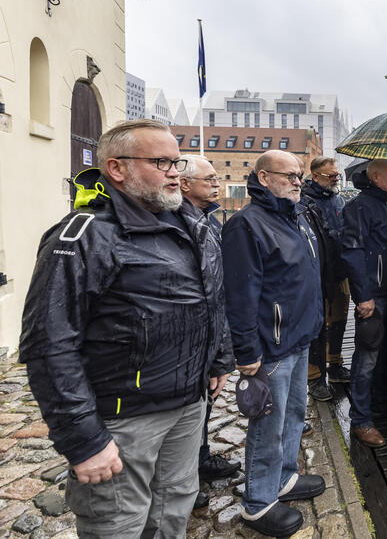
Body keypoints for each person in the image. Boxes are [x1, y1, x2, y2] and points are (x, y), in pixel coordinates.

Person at [19, 119, 234, 537]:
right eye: (161, 161)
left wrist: (219, 357)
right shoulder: (83, 235)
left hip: (188, 407)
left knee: (173, 509)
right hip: (123, 419)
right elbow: (49, 344)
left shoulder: (190, 224)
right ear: (117, 169)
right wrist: (83, 440)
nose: (175, 171)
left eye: (177, 161)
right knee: (118, 524)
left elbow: (211, 296)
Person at [222, 150, 326, 536]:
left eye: (300, 174)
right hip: (272, 344)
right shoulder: (247, 225)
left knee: (295, 415)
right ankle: (259, 501)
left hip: (299, 338)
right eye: (289, 175)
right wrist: (247, 352)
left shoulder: (295, 217)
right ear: (264, 178)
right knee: (268, 425)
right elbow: (240, 295)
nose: (299, 180)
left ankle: (284, 477)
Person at [180, 155, 241, 508]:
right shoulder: (179, 223)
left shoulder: (210, 221)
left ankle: (199, 461)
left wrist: (222, 355)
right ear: (185, 184)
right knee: (188, 413)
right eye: (210, 178)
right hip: (189, 341)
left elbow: (217, 289)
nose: (217, 184)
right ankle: (184, 479)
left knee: (204, 407)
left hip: (212, 336)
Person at [342, 158, 387, 448]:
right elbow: (353, 252)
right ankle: (361, 420)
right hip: (374, 295)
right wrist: (363, 295)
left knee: (383, 355)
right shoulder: (359, 206)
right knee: (366, 358)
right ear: (376, 177)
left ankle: (379, 402)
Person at [299, 156, 351, 403]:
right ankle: (314, 376)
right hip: (318, 271)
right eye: (331, 176)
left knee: (339, 320)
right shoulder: (304, 201)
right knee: (317, 325)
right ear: (316, 176)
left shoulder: (338, 198)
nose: (335, 179)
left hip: (339, 268)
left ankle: (336, 363)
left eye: (337, 175)